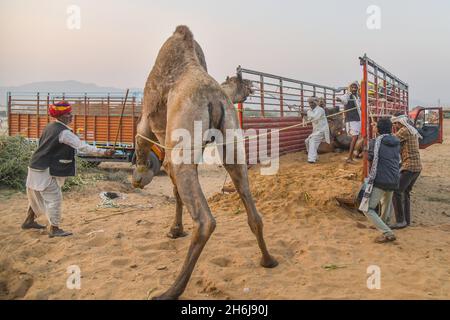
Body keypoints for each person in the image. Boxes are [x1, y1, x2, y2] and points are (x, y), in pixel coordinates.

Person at [22, 101, 115, 237]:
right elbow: (82, 147)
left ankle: (29, 221)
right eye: (68, 114)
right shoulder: (64, 133)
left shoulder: (50, 126)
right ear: (61, 116)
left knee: (36, 196)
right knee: (55, 198)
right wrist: (104, 152)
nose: (71, 116)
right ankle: (54, 229)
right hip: (45, 170)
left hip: (35, 166)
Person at [359, 118, 400, 243]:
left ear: (378, 129)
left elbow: (369, 159)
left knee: (367, 209)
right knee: (386, 203)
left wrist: (365, 150)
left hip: (381, 179)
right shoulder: (396, 141)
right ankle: (384, 224)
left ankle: (387, 232)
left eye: (376, 127)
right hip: (394, 178)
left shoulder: (375, 142)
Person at [390, 114, 423, 229]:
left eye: (395, 123)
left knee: (397, 191)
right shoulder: (411, 130)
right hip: (417, 167)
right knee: (405, 192)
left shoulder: (404, 131)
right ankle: (406, 220)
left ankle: (400, 221)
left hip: (409, 167)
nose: (394, 125)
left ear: (400, 123)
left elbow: (390, 140)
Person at [336, 81, 361, 163]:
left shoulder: (357, 96)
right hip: (352, 119)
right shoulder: (348, 95)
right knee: (354, 137)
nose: (354, 89)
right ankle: (349, 158)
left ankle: (352, 155)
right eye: (352, 87)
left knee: (356, 137)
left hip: (357, 119)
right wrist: (339, 99)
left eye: (355, 87)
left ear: (357, 88)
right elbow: (343, 99)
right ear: (350, 88)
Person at [302, 97, 330, 163]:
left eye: (312, 102)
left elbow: (315, 118)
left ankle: (311, 159)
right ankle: (315, 156)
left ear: (316, 103)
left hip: (322, 130)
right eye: (310, 103)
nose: (311, 104)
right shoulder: (309, 111)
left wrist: (307, 115)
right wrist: (303, 116)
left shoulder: (320, 110)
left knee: (312, 140)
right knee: (307, 141)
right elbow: (307, 121)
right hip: (316, 131)